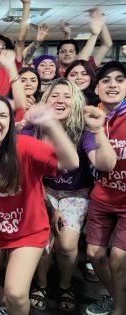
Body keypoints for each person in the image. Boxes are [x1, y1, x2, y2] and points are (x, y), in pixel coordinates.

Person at [0, 95, 79, 315]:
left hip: (28, 231)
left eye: (3, 116)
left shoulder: (25, 146)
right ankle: (10, 306)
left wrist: (50, 124)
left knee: (17, 292)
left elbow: (71, 162)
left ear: (10, 124)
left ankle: (16, 305)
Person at [24, 78, 116, 312]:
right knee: (43, 244)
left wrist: (98, 131)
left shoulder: (83, 130)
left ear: (75, 102)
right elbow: (29, 175)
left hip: (76, 192)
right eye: (54, 95)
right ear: (45, 100)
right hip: (42, 191)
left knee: (66, 245)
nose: (60, 100)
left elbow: (105, 164)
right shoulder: (34, 128)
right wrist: (50, 208)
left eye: (67, 96)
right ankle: (42, 284)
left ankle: (66, 285)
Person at [85, 61, 126, 315]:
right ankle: (117, 297)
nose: (113, 85)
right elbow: (103, 164)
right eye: (106, 81)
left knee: (118, 259)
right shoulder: (90, 118)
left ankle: (119, 310)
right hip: (101, 196)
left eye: (120, 80)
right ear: (97, 88)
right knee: (94, 255)